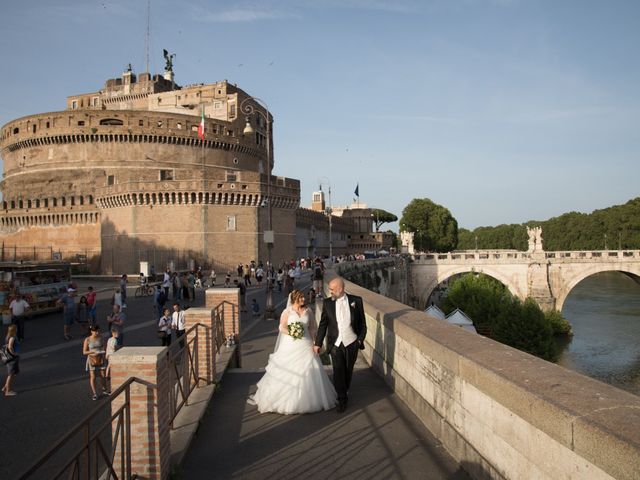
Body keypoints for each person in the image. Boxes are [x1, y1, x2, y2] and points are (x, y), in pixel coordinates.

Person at [248, 289, 336, 414]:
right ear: (294, 299)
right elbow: (281, 326)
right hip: (290, 344)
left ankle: (310, 399)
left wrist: (316, 343)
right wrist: (292, 332)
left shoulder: (308, 311)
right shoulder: (287, 311)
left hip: (306, 343)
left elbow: (312, 329)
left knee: (310, 367)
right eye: (301, 298)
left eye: (304, 298)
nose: (303, 300)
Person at [314, 277, 367, 413]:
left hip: (352, 343)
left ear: (340, 289)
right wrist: (318, 343)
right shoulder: (327, 303)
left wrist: (359, 340)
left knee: (348, 370)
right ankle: (342, 399)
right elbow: (323, 325)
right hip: (335, 344)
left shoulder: (357, 301)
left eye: (332, 289)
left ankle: (345, 390)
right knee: (338, 371)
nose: (329, 291)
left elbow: (362, 324)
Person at [83, 325, 107, 400]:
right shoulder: (87, 339)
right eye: (95, 331)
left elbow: (104, 347)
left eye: (98, 331)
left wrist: (103, 353)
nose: (97, 332)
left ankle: (104, 389)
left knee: (103, 375)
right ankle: (95, 393)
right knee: (93, 376)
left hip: (101, 358)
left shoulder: (101, 337)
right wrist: (93, 351)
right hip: (92, 359)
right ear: (91, 331)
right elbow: (84, 352)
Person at [2, 324, 20, 396]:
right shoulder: (12, 337)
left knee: (12, 373)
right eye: (16, 328)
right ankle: (8, 391)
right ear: (14, 330)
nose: (17, 329)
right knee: (11, 374)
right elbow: (10, 347)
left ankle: (5, 387)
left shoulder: (8, 336)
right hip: (12, 358)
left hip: (8, 358)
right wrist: (14, 354)